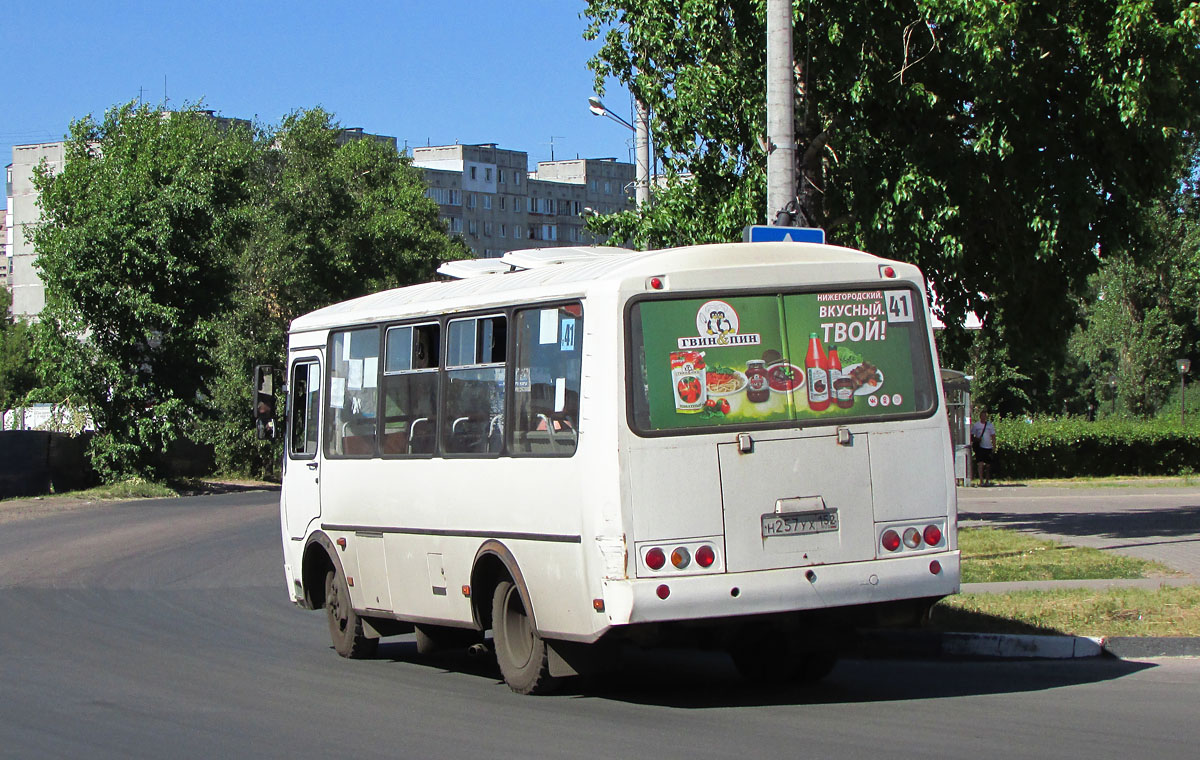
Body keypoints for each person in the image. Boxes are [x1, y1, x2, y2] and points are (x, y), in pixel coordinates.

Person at [970, 408, 997, 486]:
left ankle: (987, 480)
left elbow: (993, 436)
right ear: (980, 417)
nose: (984, 417)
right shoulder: (976, 425)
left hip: (988, 447)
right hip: (980, 447)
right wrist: (977, 439)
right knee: (980, 464)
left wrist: (994, 446)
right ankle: (981, 480)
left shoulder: (990, 425)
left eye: (985, 416)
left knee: (988, 465)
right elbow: (971, 436)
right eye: (982, 416)